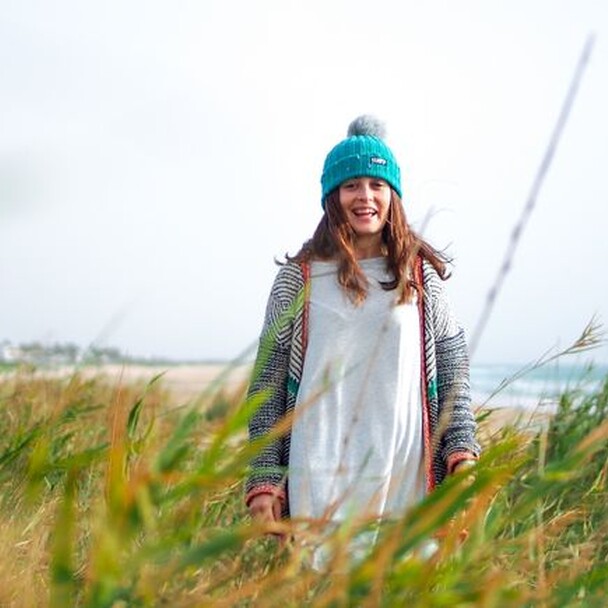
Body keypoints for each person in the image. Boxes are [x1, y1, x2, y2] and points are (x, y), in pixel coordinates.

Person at [245, 115, 480, 564]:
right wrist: (264, 477)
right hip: (317, 476)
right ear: (332, 196)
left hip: (405, 475)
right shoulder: (298, 279)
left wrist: (461, 453)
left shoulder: (420, 276)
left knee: (405, 585)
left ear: (393, 195)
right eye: (351, 185)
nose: (365, 196)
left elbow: (453, 374)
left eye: (377, 184)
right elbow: (267, 388)